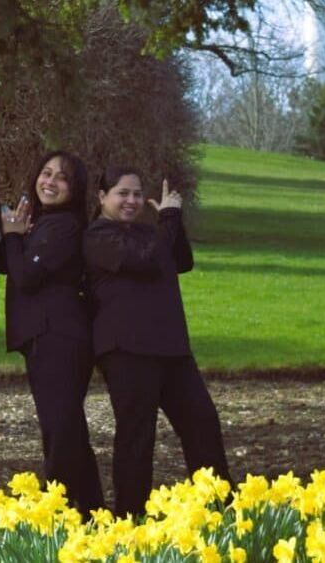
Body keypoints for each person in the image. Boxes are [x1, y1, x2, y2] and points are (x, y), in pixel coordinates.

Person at [85, 167, 231, 518]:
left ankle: (219, 511)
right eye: (122, 193)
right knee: (138, 437)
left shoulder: (149, 233)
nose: (132, 200)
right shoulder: (96, 235)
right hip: (127, 350)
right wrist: (167, 218)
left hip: (171, 348)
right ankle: (130, 519)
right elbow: (143, 260)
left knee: (202, 423)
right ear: (102, 197)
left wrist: (171, 220)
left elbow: (181, 260)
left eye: (137, 194)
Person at [0, 150, 105, 515]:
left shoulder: (64, 226)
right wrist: (15, 233)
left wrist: (13, 236)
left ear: (75, 190)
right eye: (46, 173)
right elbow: (0, 264)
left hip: (59, 337)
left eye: (62, 178)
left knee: (60, 430)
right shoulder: (42, 223)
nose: (50, 182)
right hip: (47, 337)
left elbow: (24, 276)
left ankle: (55, 512)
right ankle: (90, 513)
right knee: (67, 428)